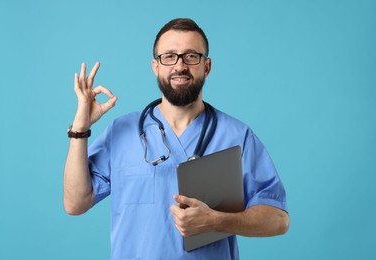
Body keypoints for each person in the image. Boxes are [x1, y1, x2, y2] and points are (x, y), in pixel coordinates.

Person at [64, 18, 289, 259]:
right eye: (169, 56)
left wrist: (218, 221)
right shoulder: (122, 131)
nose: (179, 66)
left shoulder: (237, 136)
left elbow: (278, 220)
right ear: (155, 66)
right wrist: (80, 129)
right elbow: (76, 204)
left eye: (191, 56)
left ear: (207, 66)